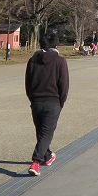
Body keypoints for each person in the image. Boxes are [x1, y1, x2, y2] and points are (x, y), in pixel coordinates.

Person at [25, 31, 69, 176]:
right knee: (46, 133)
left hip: (36, 101)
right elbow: (64, 85)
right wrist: (61, 102)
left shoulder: (32, 61)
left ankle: (48, 155)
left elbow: (28, 83)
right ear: (56, 45)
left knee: (42, 132)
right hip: (52, 101)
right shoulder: (60, 61)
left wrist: (32, 98)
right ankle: (36, 162)